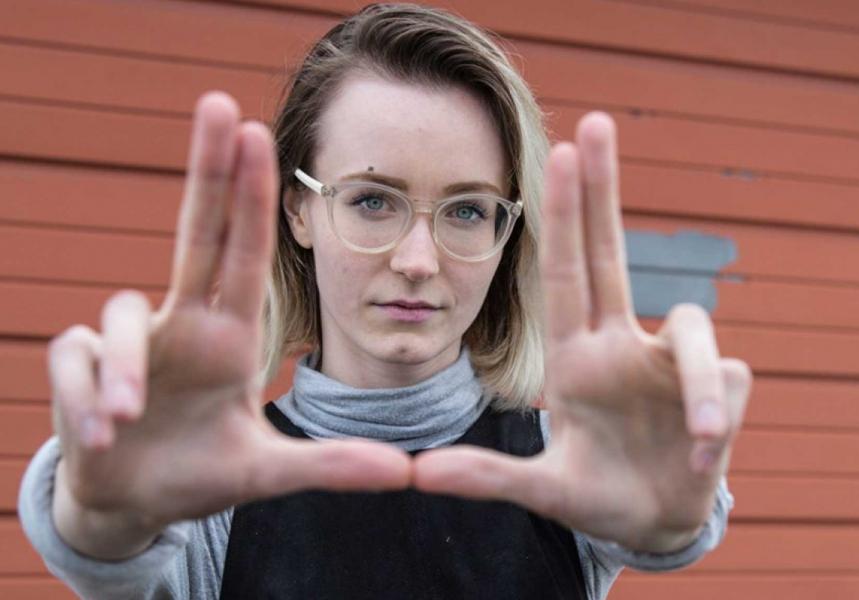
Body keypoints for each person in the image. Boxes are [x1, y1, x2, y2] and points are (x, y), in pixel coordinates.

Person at [19, 3, 751, 599]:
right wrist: (95, 520)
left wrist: (676, 511)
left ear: (507, 233)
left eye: (467, 210)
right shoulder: (208, 481)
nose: (417, 262)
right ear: (298, 211)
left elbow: (659, 509)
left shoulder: (570, 462)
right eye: (373, 199)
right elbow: (105, 544)